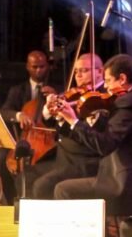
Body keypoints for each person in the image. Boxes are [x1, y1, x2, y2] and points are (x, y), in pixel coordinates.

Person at [50, 55, 132, 237]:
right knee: (75, 184)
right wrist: (67, 121)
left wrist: (74, 121)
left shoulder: (129, 103)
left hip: (129, 183)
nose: (106, 88)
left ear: (122, 79)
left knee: (63, 190)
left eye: (109, 80)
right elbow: (106, 136)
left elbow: (105, 145)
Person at [32, 53, 106, 198]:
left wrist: (69, 117)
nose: (78, 76)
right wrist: (49, 111)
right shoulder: (73, 95)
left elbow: (93, 133)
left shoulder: (103, 97)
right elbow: (50, 123)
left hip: (84, 161)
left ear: (99, 72)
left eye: (84, 70)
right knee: (26, 175)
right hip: (63, 158)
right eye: (76, 71)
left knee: (42, 186)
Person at [0, 50, 60, 132]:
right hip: (25, 134)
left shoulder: (56, 90)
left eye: (42, 67)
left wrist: (57, 99)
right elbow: (4, 112)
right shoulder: (17, 90)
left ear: (47, 66)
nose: (38, 70)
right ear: (28, 67)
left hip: (49, 135)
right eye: (34, 67)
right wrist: (19, 115)